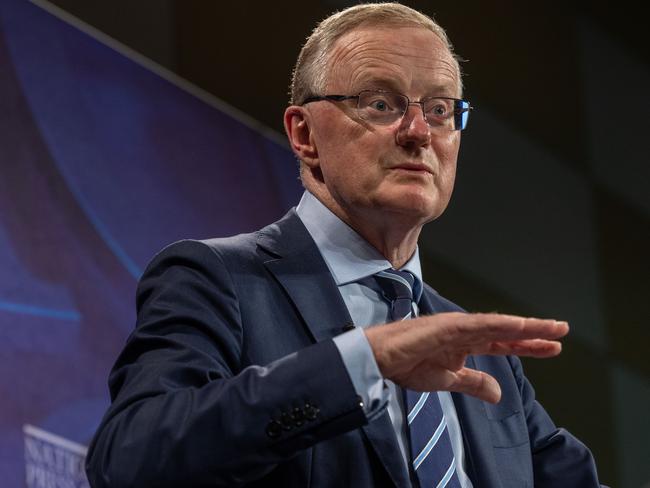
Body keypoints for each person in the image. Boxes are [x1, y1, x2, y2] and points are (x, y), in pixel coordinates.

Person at [85, 3, 605, 487]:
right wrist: (360, 362)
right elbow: (130, 457)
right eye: (380, 103)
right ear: (305, 134)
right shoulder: (218, 278)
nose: (420, 131)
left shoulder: (488, 360)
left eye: (441, 109)